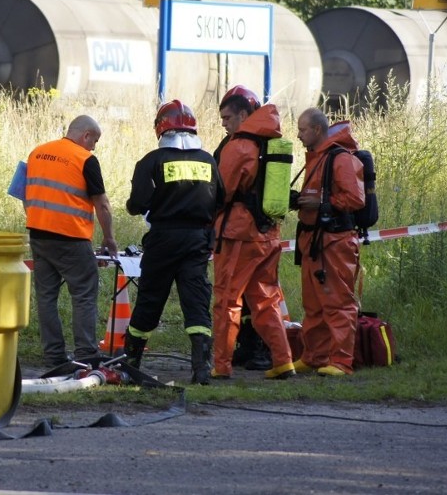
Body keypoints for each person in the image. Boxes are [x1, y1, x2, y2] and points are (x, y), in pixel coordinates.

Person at [123, 100, 224, 385]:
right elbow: (221, 200)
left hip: (163, 240)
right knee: (196, 302)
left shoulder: (151, 161)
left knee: (150, 299)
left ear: (160, 128)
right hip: (197, 241)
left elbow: (137, 204)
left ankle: (131, 364)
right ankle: (201, 370)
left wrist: (144, 203)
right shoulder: (207, 160)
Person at [211, 85, 296, 380]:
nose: (223, 123)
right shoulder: (270, 143)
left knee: (227, 300)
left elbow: (222, 191)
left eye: (227, 117)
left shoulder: (239, 146)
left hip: (238, 235)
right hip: (268, 234)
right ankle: (284, 360)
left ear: (244, 114)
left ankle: (221, 365)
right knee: (266, 300)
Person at [24, 115, 118, 367]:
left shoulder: (37, 153)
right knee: (84, 293)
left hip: (39, 234)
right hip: (71, 237)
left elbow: (24, 192)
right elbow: (102, 204)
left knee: (45, 296)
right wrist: (109, 238)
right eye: (94, 140)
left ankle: (53, 356)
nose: (94, 146)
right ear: (85, 135)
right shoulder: (85, 159)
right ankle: (86, 354)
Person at [293, 108, 365, 376]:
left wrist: (322, 203)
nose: (298, 135)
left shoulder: (340, 159)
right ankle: (314, 357)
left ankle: (341, 362)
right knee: (313, 305)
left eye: (302, 130)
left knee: (337, 303)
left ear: (317, 130)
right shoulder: (315, 159)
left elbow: (356, 200)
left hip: (334, 241)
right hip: (312, 240)